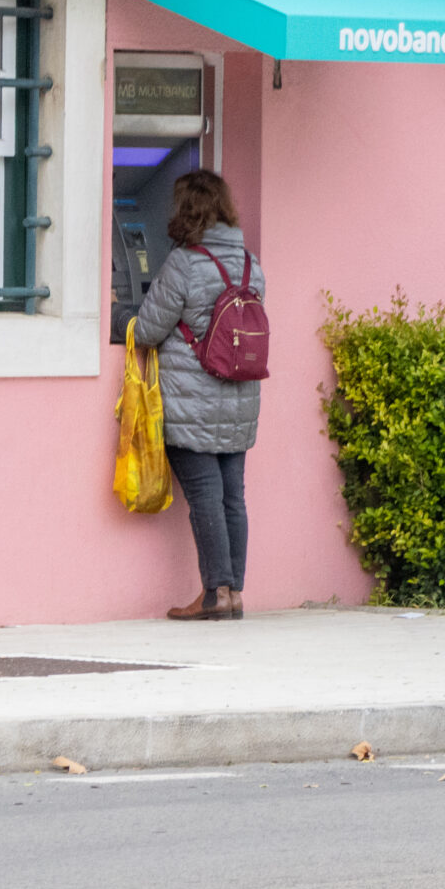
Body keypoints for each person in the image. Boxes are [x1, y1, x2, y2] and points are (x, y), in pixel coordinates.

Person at [131, 169, 264, 622]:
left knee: (206, 495)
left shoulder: (185, 263)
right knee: (233, 497)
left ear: (187, 210)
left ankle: (213, 594)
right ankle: (234, 593)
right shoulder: (249, 264)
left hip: (192, 400)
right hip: (240, 397)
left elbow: (148, 329)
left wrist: (120, 316)